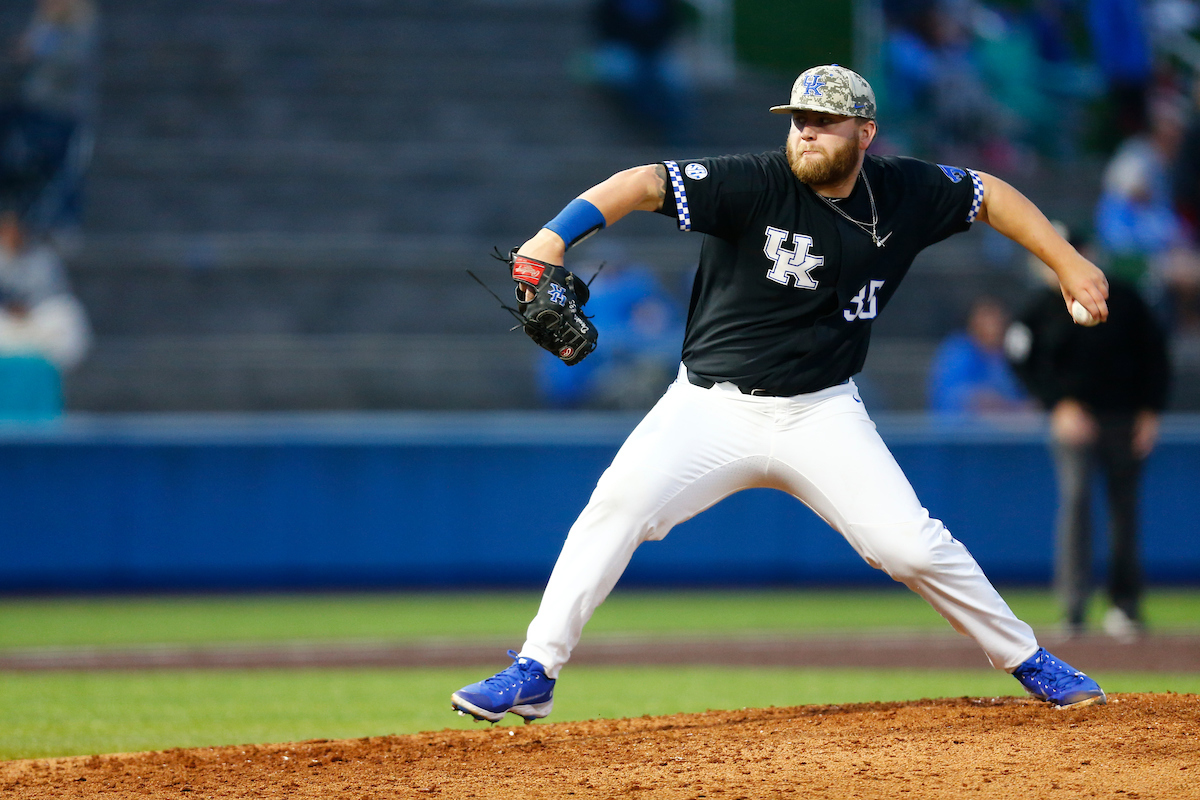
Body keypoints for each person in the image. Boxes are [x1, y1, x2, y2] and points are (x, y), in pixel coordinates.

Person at [451, 65, 1111, 724]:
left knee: (910, 546)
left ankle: (1029, 660)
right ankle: (535, 670)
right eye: (799, 120)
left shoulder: (905, 190)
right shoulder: (753, 181)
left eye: (824, 122)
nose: (807, 132)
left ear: (865, 132)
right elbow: (642, 182)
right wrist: (552, 237)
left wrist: (1066, 261)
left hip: (821, 411)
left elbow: (988, 192)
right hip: (709, 406)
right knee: (615, 507)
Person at [1005, 233, 1170, 641]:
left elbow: (1155, 354)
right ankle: (1073, 608)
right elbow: (1020, 357)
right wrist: (1057, 404)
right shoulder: (1041, 306)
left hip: (1124, 418)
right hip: (1073, 420)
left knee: (1124, 511)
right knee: (1076, 505)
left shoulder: (1126, 298)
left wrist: (1150, 410)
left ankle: (1124, 605)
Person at [927, 294, 1032, 415]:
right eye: (987, 316)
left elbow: (1030, 398)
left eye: (997, 316)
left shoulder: (1011, 353)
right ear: (973, 321)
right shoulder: (958, 351)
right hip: (963, 431)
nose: (993, 324)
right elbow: (967, 400)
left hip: (1017, 431)